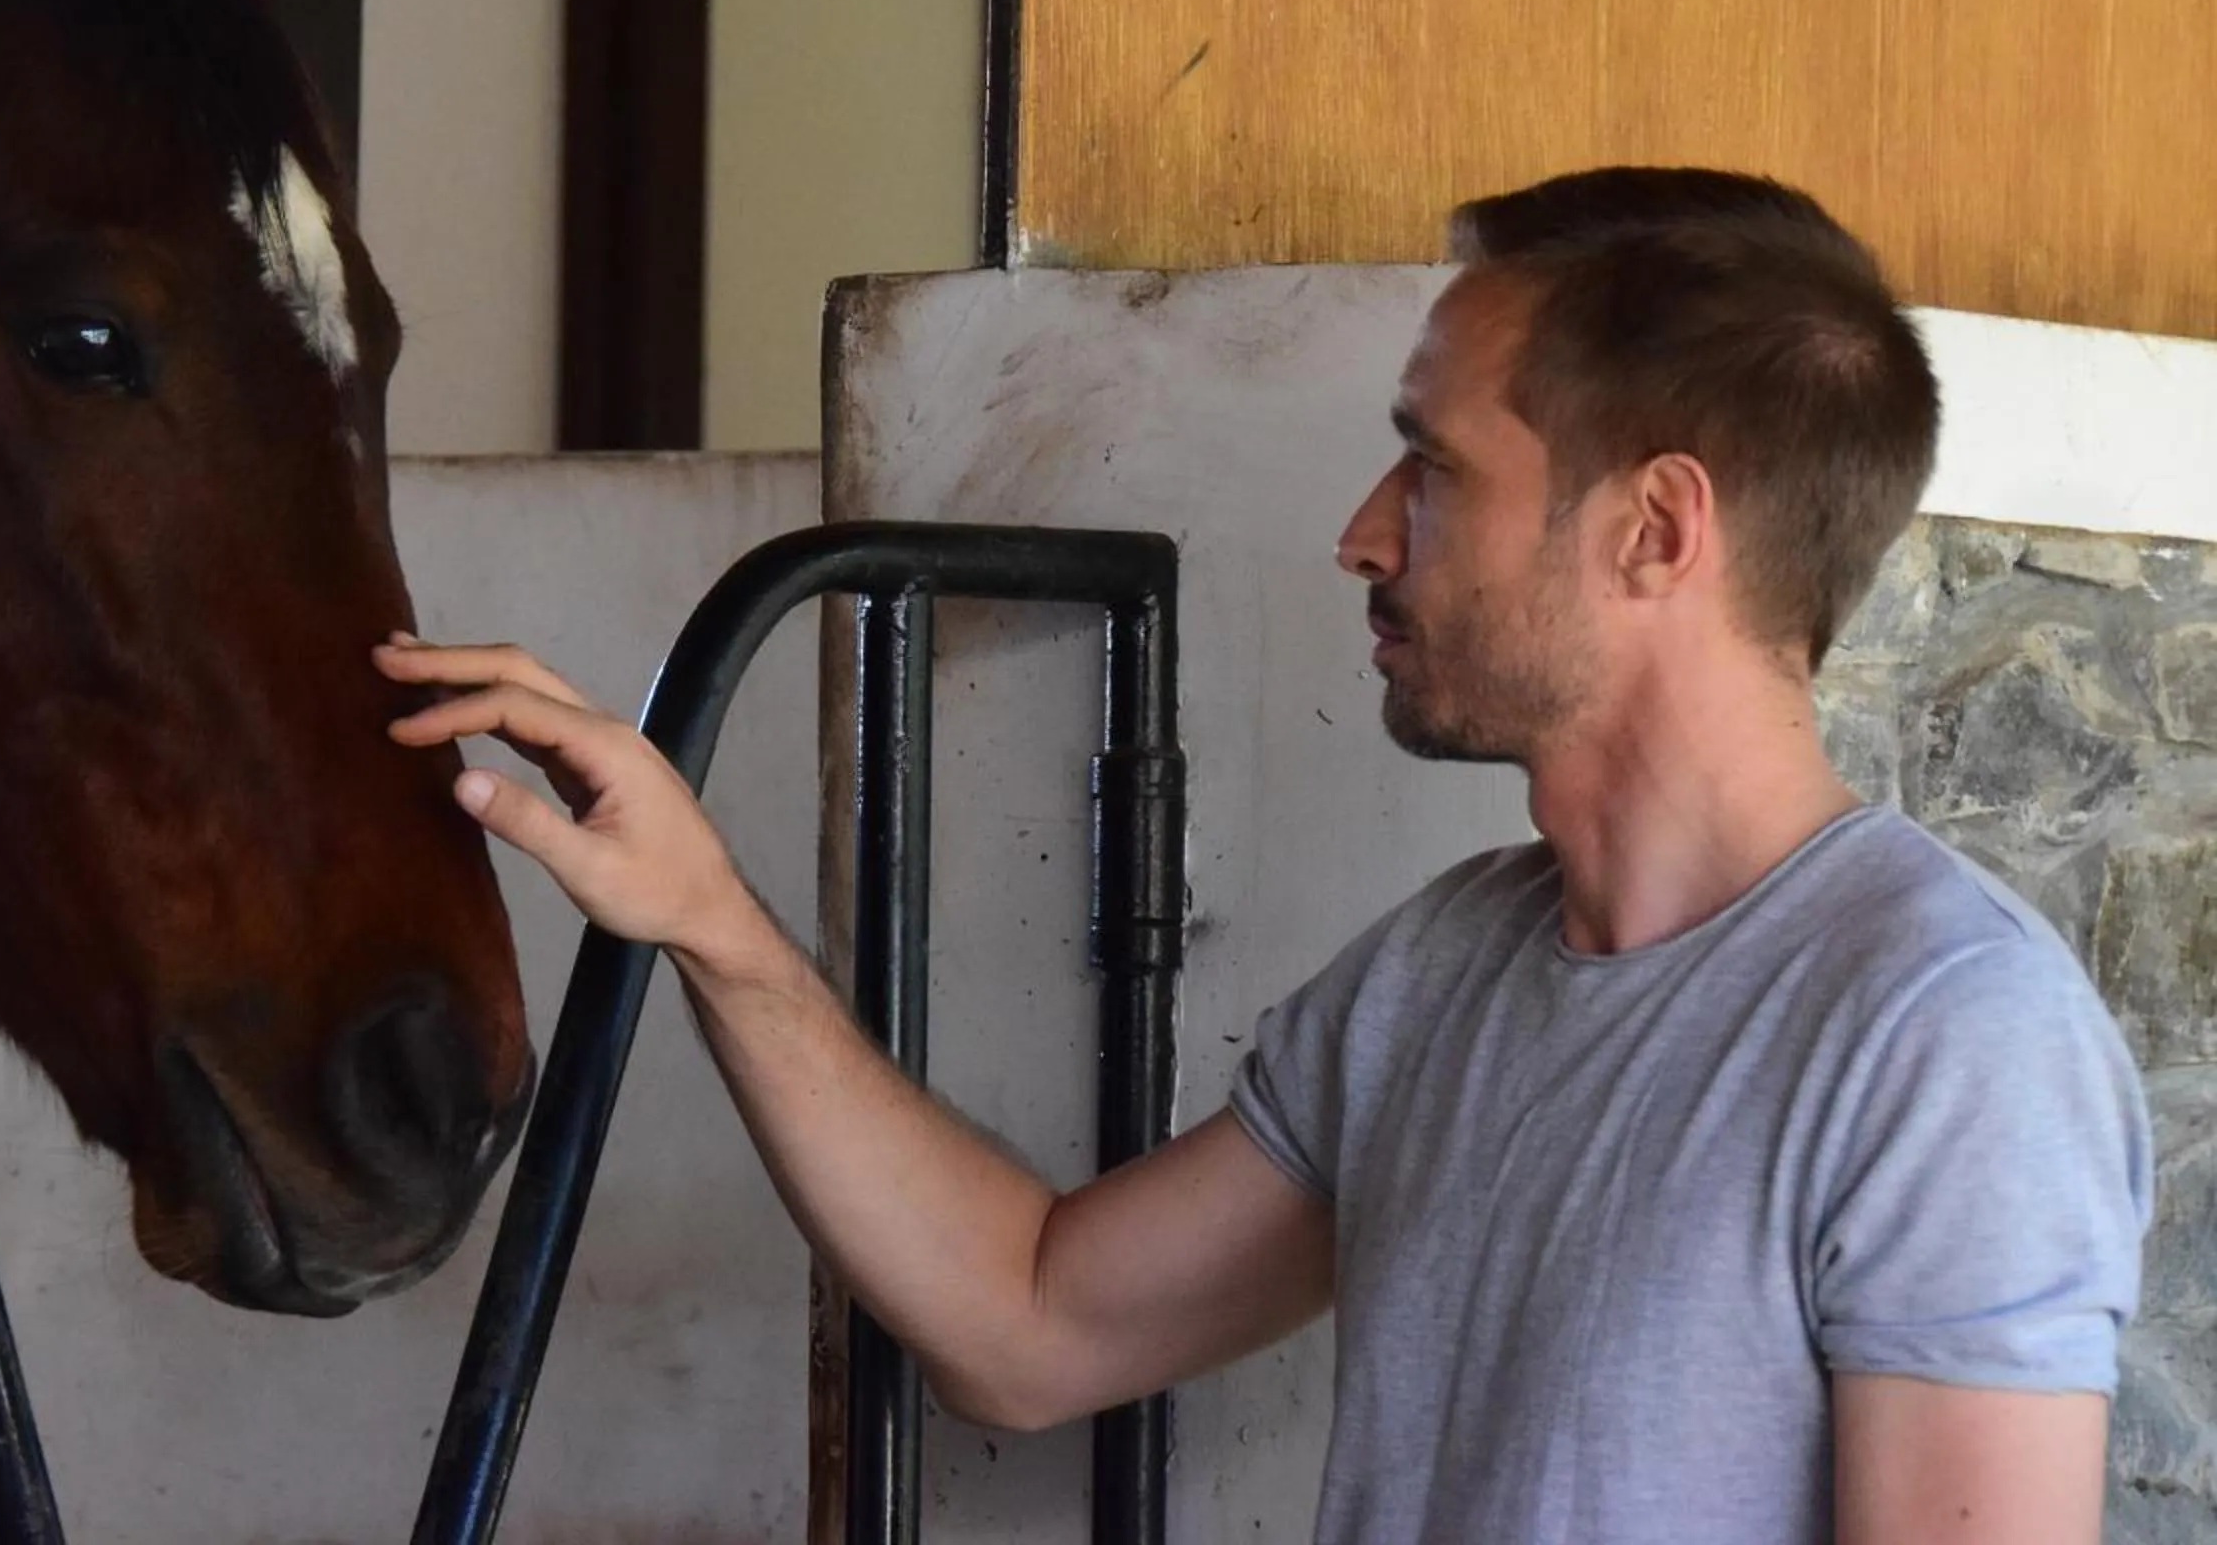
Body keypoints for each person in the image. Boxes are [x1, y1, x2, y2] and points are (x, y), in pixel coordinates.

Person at [374, 168, 2151, 1545]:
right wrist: (711, 919)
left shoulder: (1941, 1037)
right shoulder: (1443, 973)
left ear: (1655, 529)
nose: (1363, 538)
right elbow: (1030, 1319)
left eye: (1429, 469)